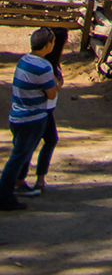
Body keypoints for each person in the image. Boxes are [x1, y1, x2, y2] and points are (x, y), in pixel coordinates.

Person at [0, 28, 59, 210]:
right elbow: (51, 94)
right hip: (32, 118)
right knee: (17, 158)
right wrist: (57, 85)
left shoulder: (24, 60)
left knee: (21, 154)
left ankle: (13, 187)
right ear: (48, 44)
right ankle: (4, 196)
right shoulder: (43, 67)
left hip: (18, 116)